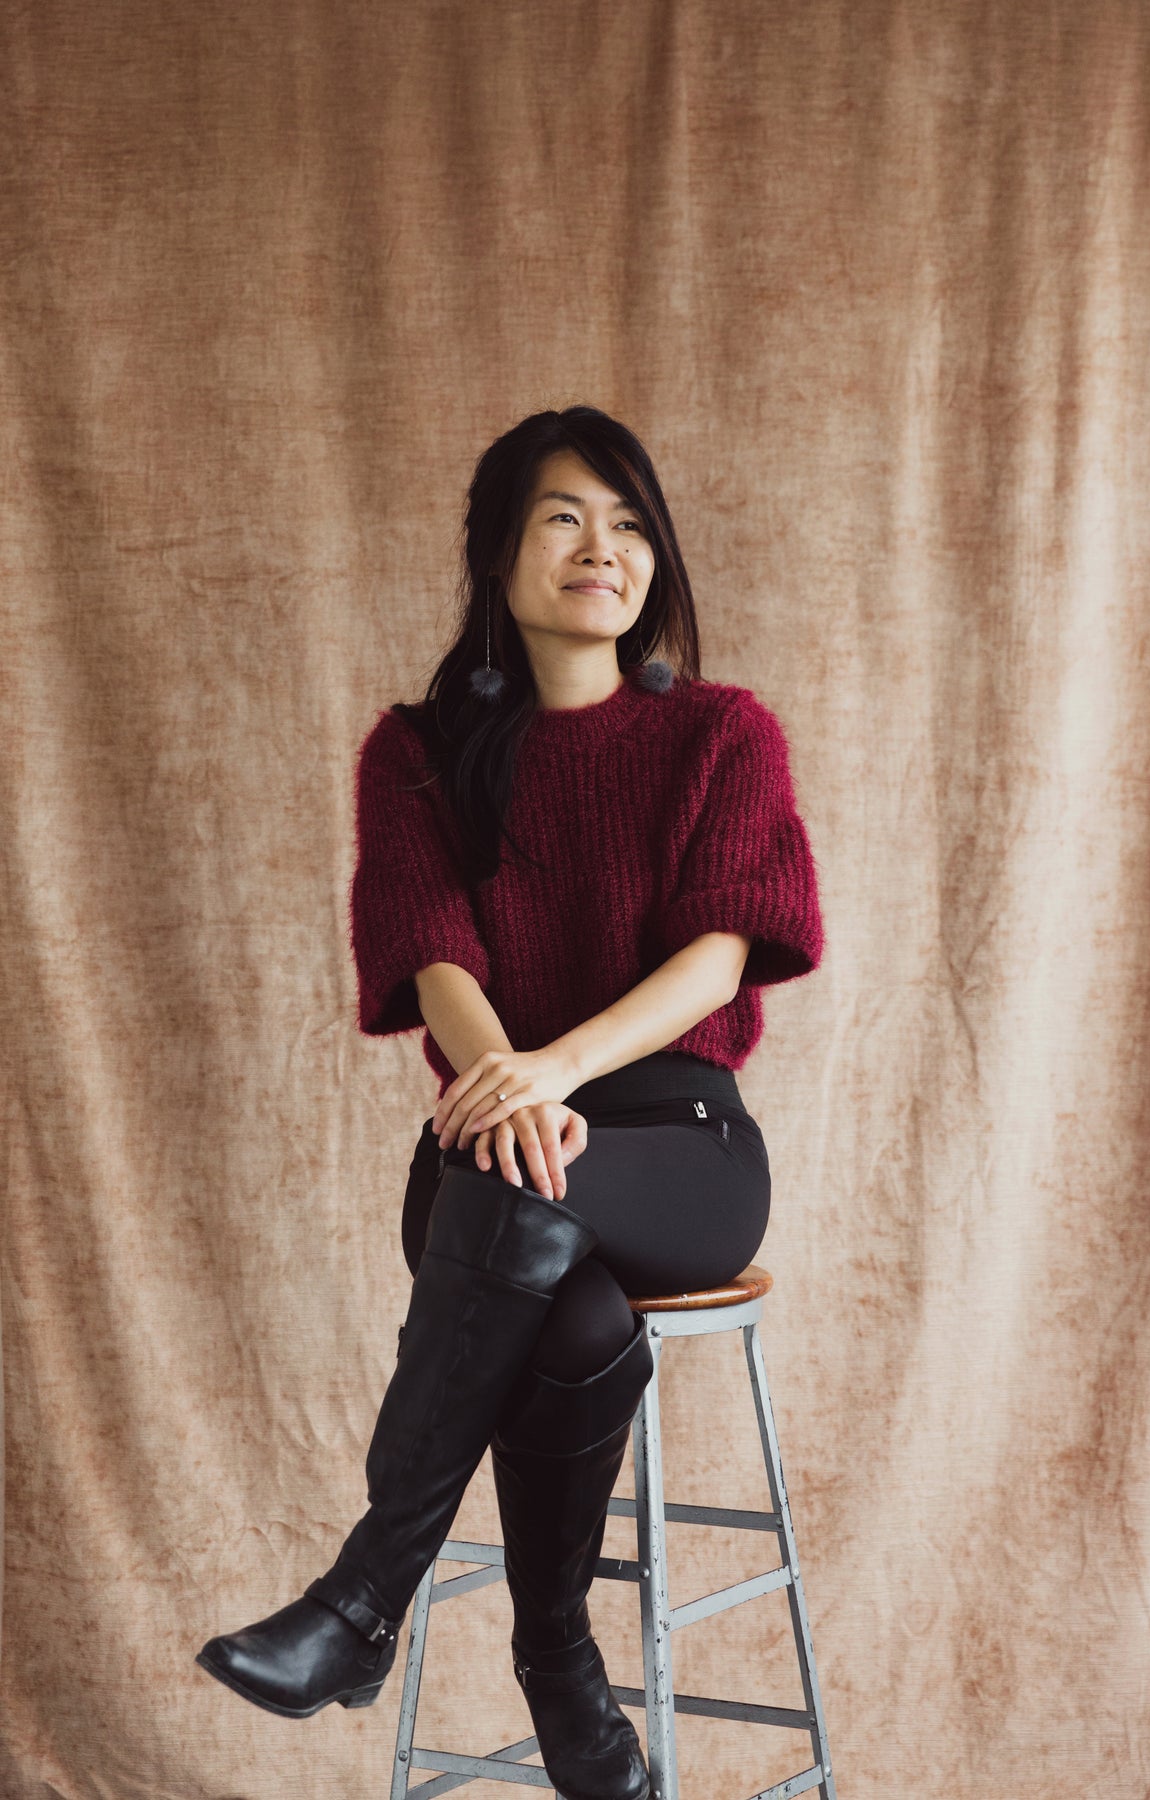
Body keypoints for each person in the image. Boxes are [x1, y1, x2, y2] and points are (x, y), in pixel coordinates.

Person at [195, 404, 824, 1800]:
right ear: (497, 552)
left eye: (626, 521)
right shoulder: (418, 756)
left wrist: (558, 1072)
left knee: (533, 1204)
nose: (602, 547)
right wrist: (508, 1090)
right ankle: (558, 1663)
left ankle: (360, 1601)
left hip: (680, 1146)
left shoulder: (726, 735)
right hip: (496, 1147)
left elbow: (717, 954)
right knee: (573, 1313)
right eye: (562, 516)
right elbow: (437, 962)